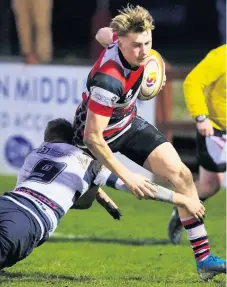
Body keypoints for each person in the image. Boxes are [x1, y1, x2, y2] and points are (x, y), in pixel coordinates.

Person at [72, 5, 226, 280]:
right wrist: (128, 177)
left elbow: (101, 33)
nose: (143, 51)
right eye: (136, 46)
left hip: (128, 125)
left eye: (147, 43)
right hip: (96, 137)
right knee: (79, 201)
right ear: (122, 43)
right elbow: (92, 137)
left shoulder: (128, 46)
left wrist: (153, 66)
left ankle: (204, 260)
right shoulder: (109, 79)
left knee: (182, 175)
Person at [0, 118, 201, 270]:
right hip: (31, 219)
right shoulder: (91, 165)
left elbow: (56, 175)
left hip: (8, 201)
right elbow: (141, 188)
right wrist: (184, 200)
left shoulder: (34, 154)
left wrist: (100, 194)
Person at [168, 45, 226, 245]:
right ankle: (181, 209)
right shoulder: (221, 56)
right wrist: (201, 116)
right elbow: (193, 82)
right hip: (216, 130)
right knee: (211, 185)